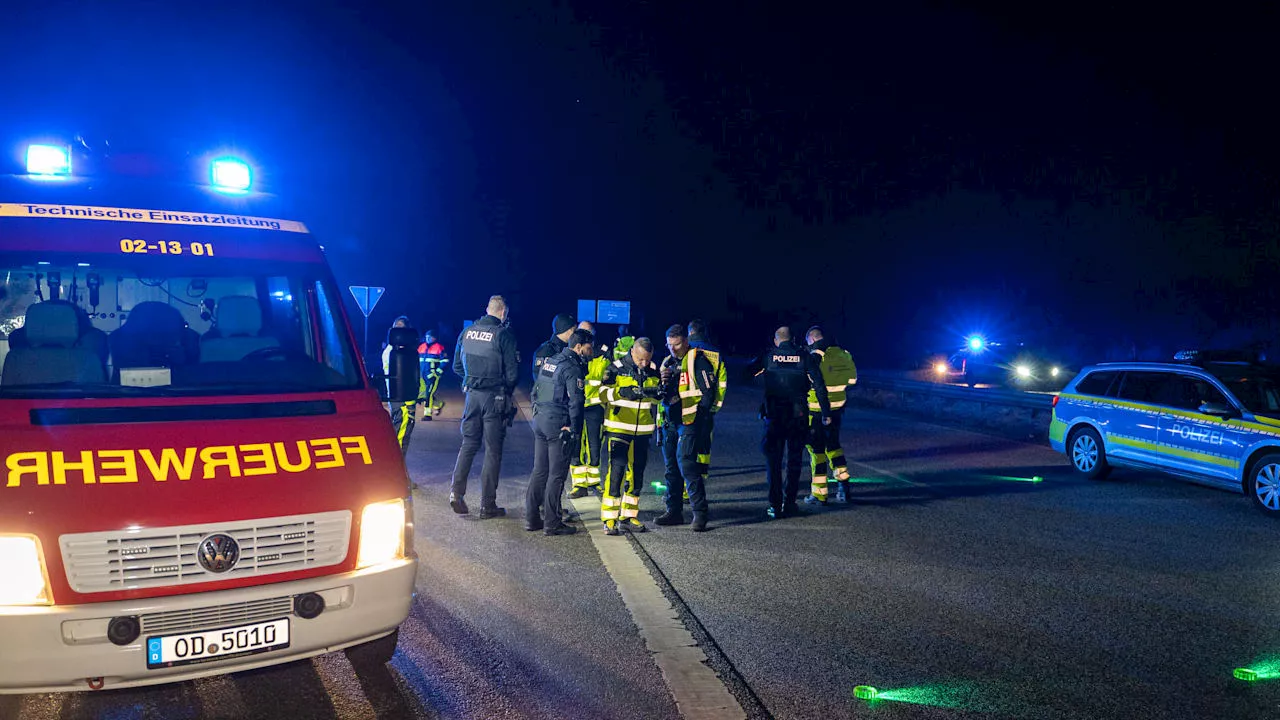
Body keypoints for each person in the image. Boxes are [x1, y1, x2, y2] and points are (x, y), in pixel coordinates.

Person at [449, 295, 519, 519]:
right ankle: (487, 505)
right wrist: (503, 389)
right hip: (493, 398)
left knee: (468, 444)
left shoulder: (467, 332)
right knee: (492, 451)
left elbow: (457, 365)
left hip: (471, 396)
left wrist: (471, 380)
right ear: (503, 313)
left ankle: (456, 493)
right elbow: (512, 374)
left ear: (487, 309)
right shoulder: (503, 335)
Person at [750, 327, 828, 519]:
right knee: (794, 461)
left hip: (775, 416)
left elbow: (747, 374)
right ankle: (790, 504)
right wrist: (825, 412)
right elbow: (819, 384)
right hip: (798, 416)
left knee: (773, 462)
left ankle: (775, 506)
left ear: (776, 341)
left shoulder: (768, 356)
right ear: (792, 339)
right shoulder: (804, 356)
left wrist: (766, 386)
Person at [525, 328, 593, 536]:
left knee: (540, 470)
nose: (592, 352)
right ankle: (552, 523)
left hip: (540, 419)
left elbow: (535, 389)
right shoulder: (572, 368)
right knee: (556, 475)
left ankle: (532, 518)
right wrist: (574, 429)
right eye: (590, 348)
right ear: (579, 347)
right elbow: (576, 402)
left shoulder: (551, 361)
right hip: (558, 424)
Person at [597, 337, 662, 535]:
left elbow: (656, 397)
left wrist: (657, 393)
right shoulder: (615, 367)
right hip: (618, 428)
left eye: (647, 359)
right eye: (641, 359)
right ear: (633, 352)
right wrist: (621, 392)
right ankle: (609, 518)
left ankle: (628, 515)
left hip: (642, 430)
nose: (644, 363)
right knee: (616, 473)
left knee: (637, 474)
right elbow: (600, 394)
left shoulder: (652, 369)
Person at [655, 324, 717, 532]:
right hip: (669, 422)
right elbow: (661, 394)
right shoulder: (667, 362)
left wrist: (699, 419)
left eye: (677, 344)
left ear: (686, 341)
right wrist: (661, 385)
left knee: (687, 465)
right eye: (670, 345)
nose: (673, 348)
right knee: (671, 468)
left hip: (689, 421)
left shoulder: (697, 360)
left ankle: (700, 514)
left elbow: (708, 394)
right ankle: (673, 511)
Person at [803, 325, 859, 505]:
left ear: (811, 340)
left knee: (816, 451)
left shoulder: (815, 356)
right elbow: (852, 380)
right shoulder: (845, 354)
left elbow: (809, 381)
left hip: (816, 410)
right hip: (837, 410)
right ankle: (844, 487)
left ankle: (820, 494)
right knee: (834, 447)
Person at [570, 321, 608, 498]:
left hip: (594, 407)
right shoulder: (572, 354)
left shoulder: (602, 355)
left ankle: (593, 482)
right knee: (576, 446)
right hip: (576, 406)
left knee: (594, 446)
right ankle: (579, 485)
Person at [382, 316, 427, 454]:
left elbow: (416, 375)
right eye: (398, 329)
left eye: (403, 329)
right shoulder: (395, 353)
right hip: (403, 400)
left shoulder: (406, 351)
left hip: (407, 397)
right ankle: (397, 473)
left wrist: (421, 393)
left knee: (403, 435)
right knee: (401, 437)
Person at [532, 313, 577, 389]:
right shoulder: (546, 351)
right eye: (574, 330)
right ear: (568, 330)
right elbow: (542, 381)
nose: (575, 334)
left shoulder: (570, 348)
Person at [418, 330, 449, 420]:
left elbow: (445, 361)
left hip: (432, 376)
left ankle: (427, 414)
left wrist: (437, 372)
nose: (428, 338)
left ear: (435, 338)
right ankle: (438, 404)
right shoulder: (421, 347)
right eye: (427, 337)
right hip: (421, 376)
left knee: (429, 394)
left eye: (430, 337)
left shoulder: (439, 348)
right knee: (423, 395)